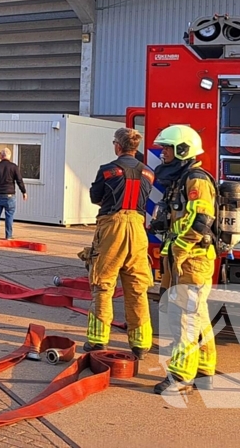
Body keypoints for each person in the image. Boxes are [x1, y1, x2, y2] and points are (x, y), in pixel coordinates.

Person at [150, 124, 217, 394]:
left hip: (192, 260)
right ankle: (203, 371)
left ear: (182, 149)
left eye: (167, 148)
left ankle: (180, 377)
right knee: (198, 316)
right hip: (184, 260)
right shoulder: (182, 179)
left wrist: (179, 247)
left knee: (184, 320)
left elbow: (201, 220)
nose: (162, 153)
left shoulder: (196, 180)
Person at [84, 128, 154, 360]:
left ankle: (97, 341)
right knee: (137, 286)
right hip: (138, 227)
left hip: (112, 226)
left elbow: (96, 197)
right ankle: (141, 344)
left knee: (103, 284)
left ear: (117, 146)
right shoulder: (148, 172)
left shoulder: (107, 171)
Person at [0, 148, 27, 240]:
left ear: (2, 156)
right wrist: (23, 191)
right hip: (10, 195)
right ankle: (8, 235)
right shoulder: (14, 167)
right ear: (9, 155)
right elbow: (19, 180)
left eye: (0, 154)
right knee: (9, 215)